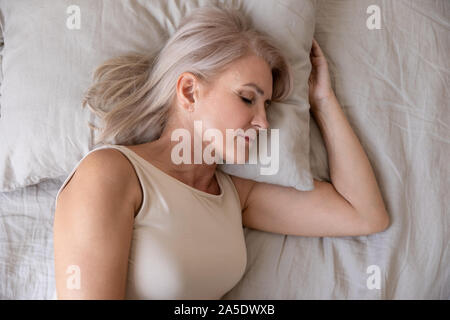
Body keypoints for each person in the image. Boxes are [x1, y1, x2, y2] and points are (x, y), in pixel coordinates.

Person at [53, 5, 389, 300]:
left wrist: (324, 102)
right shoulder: (111, 173)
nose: (262, 123)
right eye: (247, 98)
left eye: (267, 105)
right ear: (189, 91)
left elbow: (364, 213)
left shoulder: (235, 197)